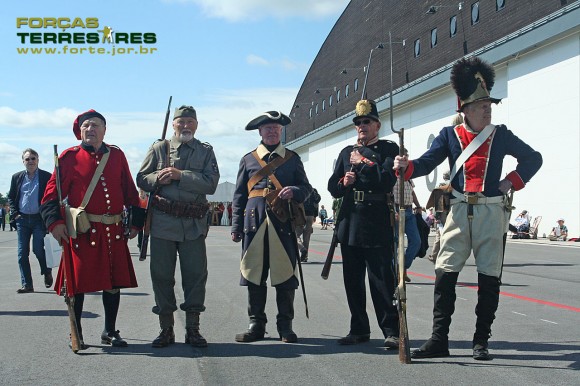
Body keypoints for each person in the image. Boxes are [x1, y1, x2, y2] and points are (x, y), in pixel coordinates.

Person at [394, 57, 542, 360]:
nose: (488, 109)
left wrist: (510, 181)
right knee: (444, 274)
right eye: (482, 105)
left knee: (489, 278)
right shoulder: (449, 136)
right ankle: (439, 339)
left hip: (491, 212)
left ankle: (481, 341)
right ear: (466, 110)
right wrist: (406, 167)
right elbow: (426, 163)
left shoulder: (501, 134)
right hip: (459, 212)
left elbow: (533, 158)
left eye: (489, 104)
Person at [40, 109, 145, 349]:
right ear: (80, 131)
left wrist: (137, 222)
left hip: (113, 230)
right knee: (78, 285)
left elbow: (129, 190)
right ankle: (76, 332)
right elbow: (50, 196)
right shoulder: (69, 158)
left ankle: (109, 331)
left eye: (96, 125)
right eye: (86, 125)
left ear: (104, 130)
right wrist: (55, 224)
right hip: (83, 232)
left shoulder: (117, 156)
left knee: (113, 282)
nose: (91, 129)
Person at [137, 105, 219, 348]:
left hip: (193, 224)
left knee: (195, 276)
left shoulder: (205, 152)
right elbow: (142, 178)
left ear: (196, 125)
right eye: (180, 122)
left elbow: (211, 184)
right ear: (173, 124)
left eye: (190, 122)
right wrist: (157, 178)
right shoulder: (159, 148)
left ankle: (193, 329)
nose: (185, 126)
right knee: (161, 276)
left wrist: (179, 175)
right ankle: (166, 329)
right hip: (163, 223)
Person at [231, 111, 312, 344]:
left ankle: (285, 326)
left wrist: (294, 191)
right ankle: (256, 324)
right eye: (268, 128)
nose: (272, 131)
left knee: (285, 275)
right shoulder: (248, 159)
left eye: (276, 128)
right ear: (260, 131)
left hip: (282, 223)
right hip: (253, 224)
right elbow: (239, 196)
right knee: (254, 275)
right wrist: (236, 225)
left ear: (281, 131)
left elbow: (306, 188)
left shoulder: (292, 158)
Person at [328, 99, 400, 348]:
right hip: (350, 221)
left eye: (366, 122)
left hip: (376, 220)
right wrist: (343, 183)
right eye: (358, 123)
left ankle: (391, 330)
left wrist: (364, 163)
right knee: (353, 280)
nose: (362, 126)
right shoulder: (345, 152)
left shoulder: (389, 149)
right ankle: (358, 328)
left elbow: (385, 180)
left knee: (381, 280)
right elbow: (332, 187)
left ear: (377, 125)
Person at [8, 148, 53, 293]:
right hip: (22, 220)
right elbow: (11, 197)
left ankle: (46, 271)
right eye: (27, 159)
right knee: (22, 254)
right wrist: (15, 214)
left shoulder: (47, 177)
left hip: (38, 220)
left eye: (33, 158)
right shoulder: (17, 177)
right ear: (23, 161)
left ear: (38, 160)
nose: (30, 161)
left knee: (38, 250)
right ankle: (27, 284)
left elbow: (52, 197)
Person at [393, 155, 422, 275]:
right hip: (396, 209)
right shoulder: (391, 176)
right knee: (395, 242)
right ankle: (394, 272)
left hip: (409, 211)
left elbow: (412, 192)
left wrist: (418, 206)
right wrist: (393, 211)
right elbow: (387, 194)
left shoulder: (409, 176)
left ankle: (403, 267)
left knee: (416, 241)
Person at [296, 187, 321, 262]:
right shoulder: (314, 191)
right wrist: (315, 216)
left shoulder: (301, 190)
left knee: (295, 235)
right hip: (310, 215)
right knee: (306, 237)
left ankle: (302, 248)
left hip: (301, 214)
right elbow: (316, 204)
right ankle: (305, 256)